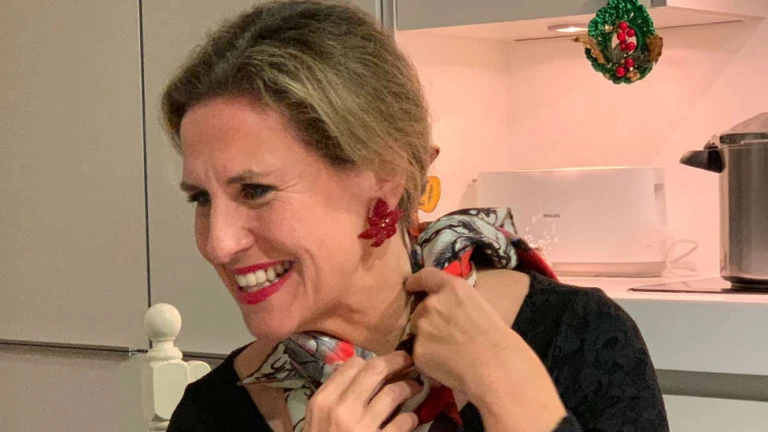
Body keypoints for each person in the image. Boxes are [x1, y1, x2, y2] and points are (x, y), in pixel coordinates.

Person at [162, 1, 669, 431]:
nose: (218, 243)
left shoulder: (576, 338)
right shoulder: (214, 413)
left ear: (387, 178)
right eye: (201, 199)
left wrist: (511, 394)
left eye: (255, 191)